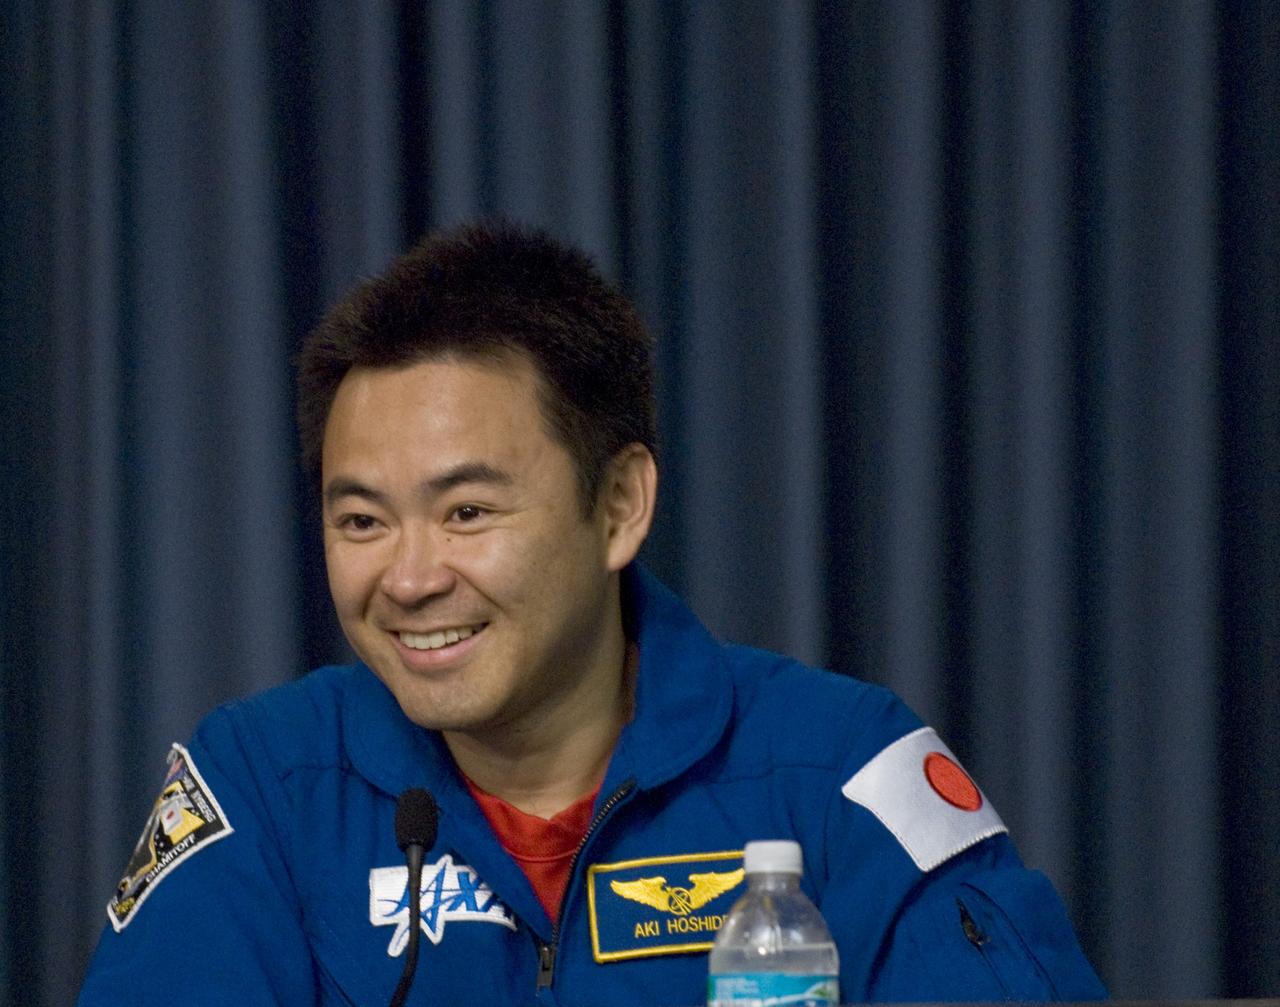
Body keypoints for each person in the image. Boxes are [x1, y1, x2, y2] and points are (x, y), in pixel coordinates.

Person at [78, 221, 1106, 1006]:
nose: (409, 575)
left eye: (467, 510)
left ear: (618, 506)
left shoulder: (838, 770)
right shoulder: (263, 782)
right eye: (361, 519)